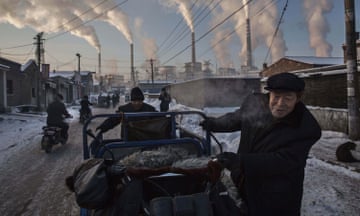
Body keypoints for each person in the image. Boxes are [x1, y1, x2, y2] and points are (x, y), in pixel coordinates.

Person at [200, 72, 321, 216]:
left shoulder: (306, 128)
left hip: (276, 195)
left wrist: (240, 161)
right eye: (276, 96)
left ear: (298, 98)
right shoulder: (255, 104)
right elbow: (237, 119)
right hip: (245, 183)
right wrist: (213, 123)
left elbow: (282, 161)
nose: (280, 104)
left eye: (288, 98)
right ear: (269, 94)